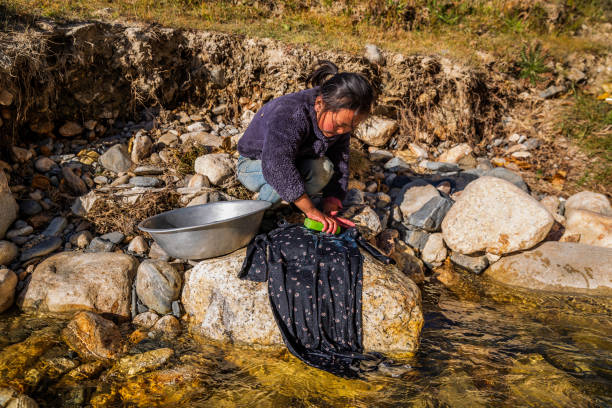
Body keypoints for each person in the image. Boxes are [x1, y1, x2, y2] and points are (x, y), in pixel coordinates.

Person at [236, 60, 375, 233]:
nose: (343, 131)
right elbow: (277, 166)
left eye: (349, 127)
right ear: (319, 104)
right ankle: (257, 219)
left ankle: (294, 203)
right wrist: (311, 210)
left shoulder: (340, 119)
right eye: (339, 125)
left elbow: (340, 160)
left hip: (295, 161)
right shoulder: (291, 113)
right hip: (254, 163)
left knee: (324, 168)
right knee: (283, 177)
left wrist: (333, 199)